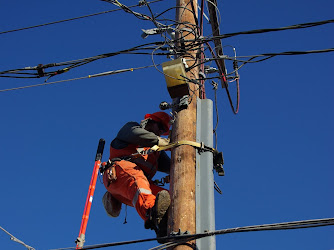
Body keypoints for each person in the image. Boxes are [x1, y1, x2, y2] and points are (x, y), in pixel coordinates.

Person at [101, 111, 172, 238]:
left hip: (134, 187)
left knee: (169, 197)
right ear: (150, 121)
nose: (160, 132)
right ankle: (151, 211)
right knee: (137, 178)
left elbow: (172, 166)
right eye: (160, 127)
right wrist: (166, 143)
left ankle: (166, 227)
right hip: (119, 174)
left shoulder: (155, 153)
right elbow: (139, 135)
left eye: (163, 130)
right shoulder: (131, 129)